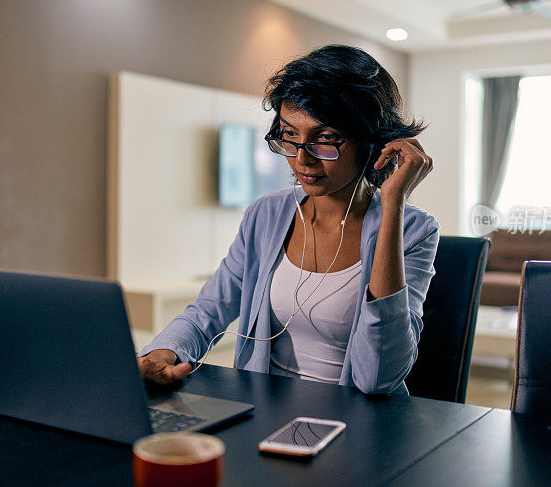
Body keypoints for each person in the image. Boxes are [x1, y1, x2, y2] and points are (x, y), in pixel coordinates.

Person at [137, 44, 438, 395]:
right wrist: (161, 353)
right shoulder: (266, 214)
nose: (301, 159)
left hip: (358, 424)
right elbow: (209, 308)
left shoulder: (413, 230)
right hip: (262, 412)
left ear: (371, 142)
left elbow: (378, 378)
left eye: (325, 139)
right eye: (289, 135)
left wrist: (393, 204)